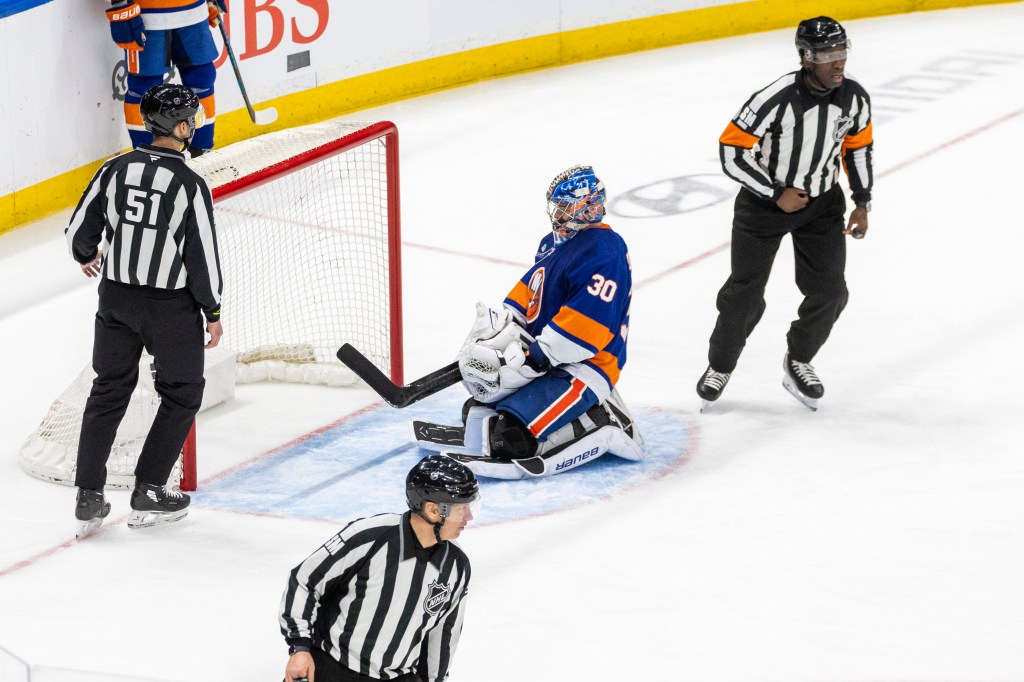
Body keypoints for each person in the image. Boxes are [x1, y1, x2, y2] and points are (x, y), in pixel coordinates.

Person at [66, 83, 223, 537]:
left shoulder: (114, 168)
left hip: (115, 297)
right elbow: (202, 259)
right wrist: (212, 311)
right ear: (178, 127)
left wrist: (85, 255)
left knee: (108, 390)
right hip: (170, 309)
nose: (193, 124)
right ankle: (149, 489)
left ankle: (88, 495)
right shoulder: (190, 183)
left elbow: (79, 231)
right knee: (182, 393)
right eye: (190, 118)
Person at [696, 16, 873, 411]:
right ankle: (720, 365)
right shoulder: (774, 99)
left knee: (831, 292)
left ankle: (798, 360)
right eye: (828, 54)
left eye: (842, 52)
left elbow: (858, 148)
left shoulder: (855, 98)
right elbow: (731, 149)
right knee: (744, 294)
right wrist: (775, 192)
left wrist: (862, 201)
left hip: (823, 205)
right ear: (806, 57)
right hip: (763, 207)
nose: (838, 62)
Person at [428, 165, 643, 480]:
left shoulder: (606, 251)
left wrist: (538, 356)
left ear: (585, 207)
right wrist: (501, 331)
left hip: (586, 365)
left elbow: (588, 324)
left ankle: (600, 417)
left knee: (509, 437)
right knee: (476, 413)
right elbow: (531, 291)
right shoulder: (551, 242)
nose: (557, 213)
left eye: (565, 206)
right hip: (546, 357)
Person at [279, 455, 478, 682]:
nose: (469, 517)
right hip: (330, 668)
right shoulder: (370, 536)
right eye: (461, 509)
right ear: (433, 510)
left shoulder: (457, 565)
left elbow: (443, 634)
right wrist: (300, 648)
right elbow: (305, 581)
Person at [105, 0, 225, 155]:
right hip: (147, 14)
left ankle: (202, 151)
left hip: (193, 11)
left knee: (201, 78)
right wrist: (120, 5)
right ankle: (147, 158)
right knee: (144, 87)